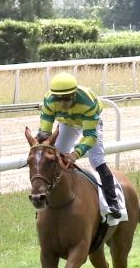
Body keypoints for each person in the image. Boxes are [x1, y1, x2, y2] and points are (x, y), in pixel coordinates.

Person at [37, 71, 122, 220]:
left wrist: (75, 154)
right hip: (67, 123)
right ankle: (49, 197)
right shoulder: (49, 101)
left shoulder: (87, 101)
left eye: (66, 99)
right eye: (58, 99)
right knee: (55, 157)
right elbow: (45, 134)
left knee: (96, 160)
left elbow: (90, 136)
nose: (62, 104)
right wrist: (43, 142)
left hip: (89, 123)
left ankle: (112, 201)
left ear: (74, 95)